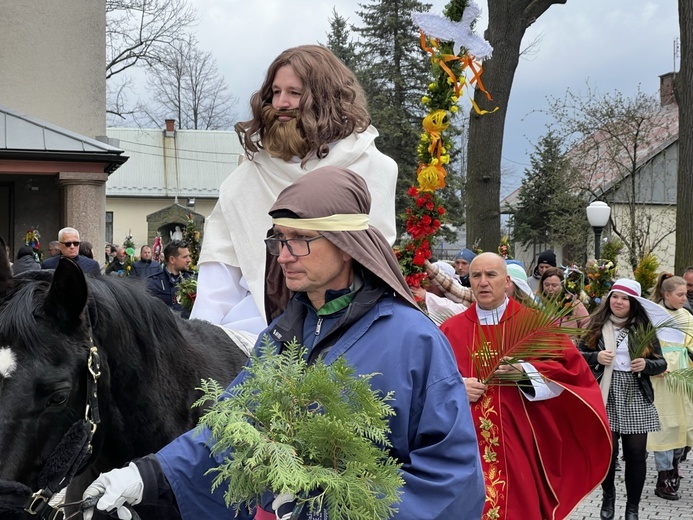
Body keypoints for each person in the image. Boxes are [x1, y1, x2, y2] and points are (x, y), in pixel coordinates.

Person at [82, 166, 485, 520]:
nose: (283, 256)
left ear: (346, 247)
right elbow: (229, 430)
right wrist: (147, 474)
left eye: (300, 239)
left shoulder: (413, 340)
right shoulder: (280, 338)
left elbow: (452, 475)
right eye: (279, 239)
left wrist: (328, 508)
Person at [190, 45, 398, 335]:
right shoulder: (246, 177)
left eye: (294, 93)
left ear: (325, 98)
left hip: (347, 326)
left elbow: (372, 264)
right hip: (252, 332)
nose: (281, 103)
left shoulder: (371, 167)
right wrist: (202, 340)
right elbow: (220, 271)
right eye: (275, 92)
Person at [440, 252, 611, 520]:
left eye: (491, 275)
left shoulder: (535, 326)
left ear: (507, 281)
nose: (483, 282)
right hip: (466, 446)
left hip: (519, 444)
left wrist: (525, 373)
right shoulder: (450, 330)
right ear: (469, 281)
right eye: (476, 276)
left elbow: (569, 374)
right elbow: (431, 383)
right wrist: (456, 389)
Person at [577, 278, 669, 520]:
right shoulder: (596, 323)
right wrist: (596, 356)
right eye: (615, 296)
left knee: (636, 454)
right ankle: (608, 499)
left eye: (624, 298)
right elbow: (577, 355)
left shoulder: (643, 327)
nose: (618, 302)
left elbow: (661, 362)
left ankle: (632, 509)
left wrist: (646, 364)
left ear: (633, 303)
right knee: (608, 452)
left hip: (634, 392)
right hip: (603, 392)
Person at [647, 273, 693, 500]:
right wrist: (655, 363)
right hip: (662, 375)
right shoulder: (653, 314)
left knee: (682, 423)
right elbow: (644, 343)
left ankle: (675, 465)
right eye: (680, 294)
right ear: (666, 294)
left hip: (683, 374)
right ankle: (663, 476)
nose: (684, 298)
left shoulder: (686, 315)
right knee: (665, 424)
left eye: (685, 294)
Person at [146, 240, 193, 317]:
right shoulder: (153, 283)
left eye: (189, 256)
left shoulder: (193, 280)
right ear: (172, 260)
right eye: (185, 257)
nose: (189, 260)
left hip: (188, 327)